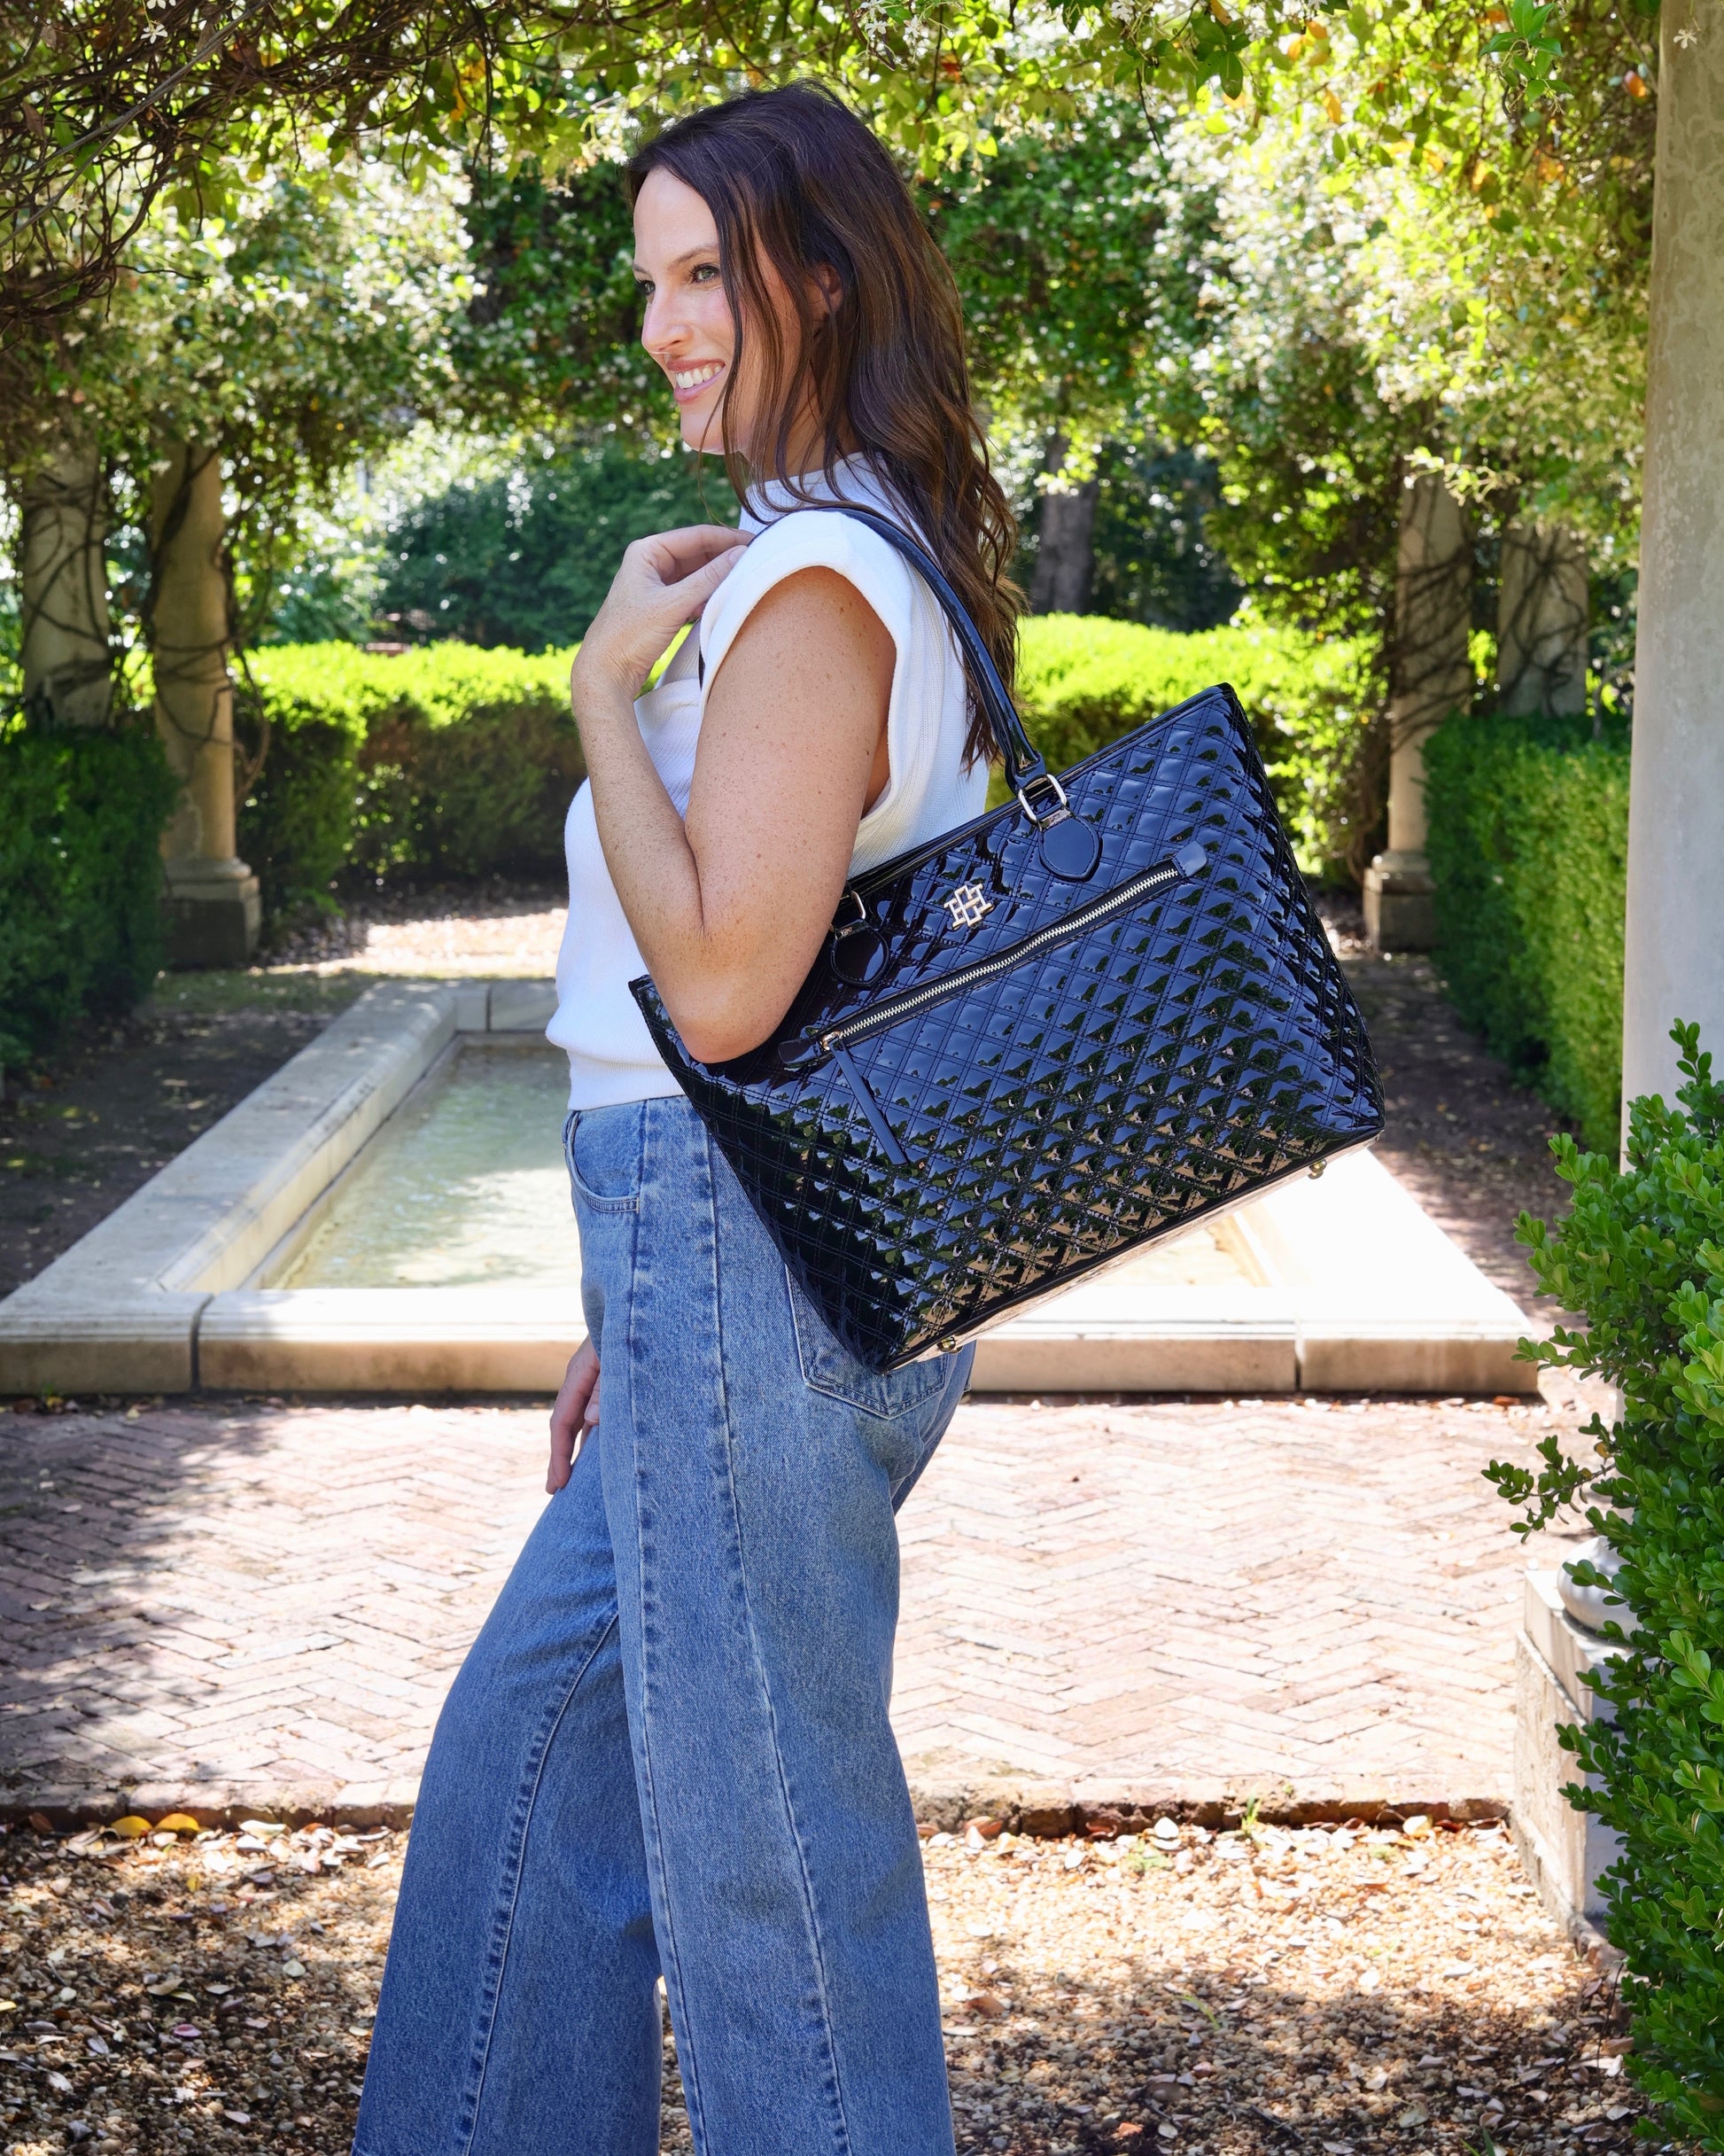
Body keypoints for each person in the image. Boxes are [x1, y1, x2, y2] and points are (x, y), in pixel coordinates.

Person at [353, 80, 1021, 2156]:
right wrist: (635, 1303)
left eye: (702, 273)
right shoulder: (838, 549)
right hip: (711, 1258)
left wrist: (594, 696)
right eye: (646, 281)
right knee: (527, 1781)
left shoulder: (813, 579)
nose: (660, 325)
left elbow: (723, 982)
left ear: (820, 272)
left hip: (739, 1261)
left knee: (770, 1886)